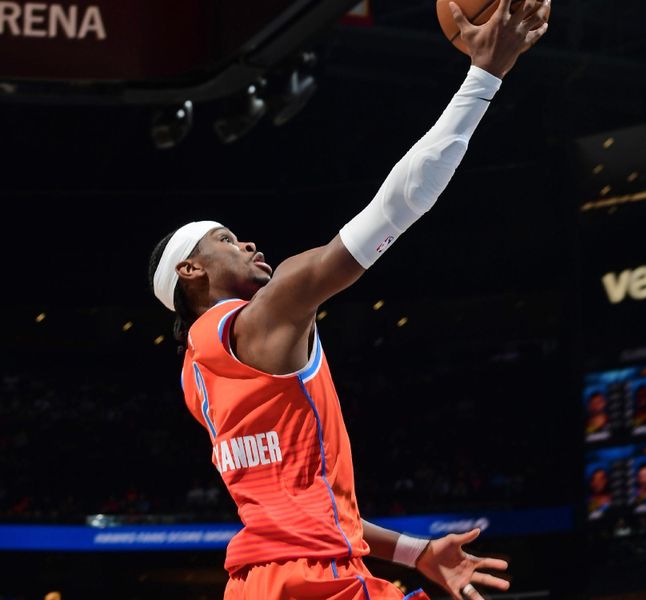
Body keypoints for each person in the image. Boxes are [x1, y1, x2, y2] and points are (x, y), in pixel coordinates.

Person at [147, 2, 551, 599]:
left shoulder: (196, 381)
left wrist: (414, 553)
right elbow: (395, 207)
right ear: (191, 270)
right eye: (226, 240)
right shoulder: (275, 308)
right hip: (318, 583)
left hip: (257, 586)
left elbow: (307, 508)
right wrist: (483, 78)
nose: (247, 241)